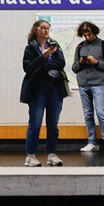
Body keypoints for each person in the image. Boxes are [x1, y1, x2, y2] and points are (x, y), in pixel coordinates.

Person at [20, 20, 67, 167]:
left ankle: (51, 154)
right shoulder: (30, 48)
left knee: (53, 124)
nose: (46, 31)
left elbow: (61, 63)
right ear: (36, 30)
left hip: (55, 88)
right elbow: (28, 67)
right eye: (43, 28)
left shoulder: (55, 44)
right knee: (35, 123)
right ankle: (30, 155)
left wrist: (44, 63)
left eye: (48, 28)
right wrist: (43, 56)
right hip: (37, 89)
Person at [71, 21, 104, 154]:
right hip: (83, 84)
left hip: (98, 83)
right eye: (85, 35)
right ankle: (92, 142)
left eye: (89, 34)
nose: (87, 37)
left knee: (101, 112)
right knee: (88, 114)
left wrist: (96, 63)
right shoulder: (80, 47)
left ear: (94, 32)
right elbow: (74, 68)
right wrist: (81, 63)